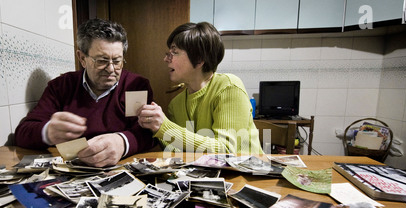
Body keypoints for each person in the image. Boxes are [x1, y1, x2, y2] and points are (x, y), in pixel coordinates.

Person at [14, 18, 157, 167]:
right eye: (102, 61)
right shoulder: (61, 86)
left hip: (121, 168)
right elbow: (22, 133)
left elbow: (149, 133)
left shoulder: (136, 85)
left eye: (117, 61)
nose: (111, 69)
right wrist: (47, 132)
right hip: (71, 171)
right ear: (82, 58)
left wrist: (123, 142)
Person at [137, 22, 263, 155]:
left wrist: (166, 128)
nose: (166, 59)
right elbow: (180, 151)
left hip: (248, 173)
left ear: (198, 59)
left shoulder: (229, 87)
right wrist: (155, 129)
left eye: (174, 52)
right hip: (206, 174)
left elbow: (225, 150)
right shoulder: (176, 104)